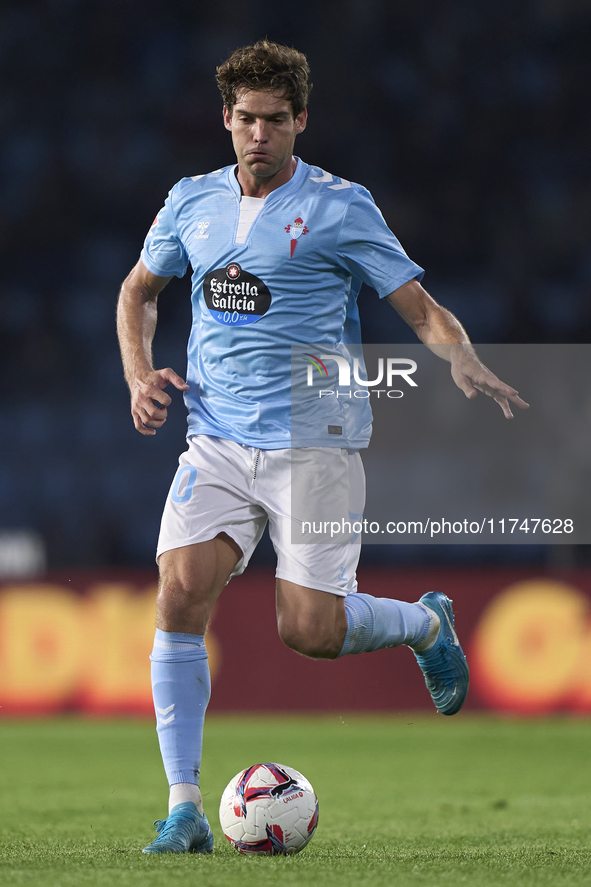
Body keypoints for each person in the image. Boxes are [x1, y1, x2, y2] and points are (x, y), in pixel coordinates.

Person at [116, 40, 528, 855]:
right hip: (217, 439)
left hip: (317, 442)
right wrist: (137, 376)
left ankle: (423, 626)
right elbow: (138, 292)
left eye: (275, 120)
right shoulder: (190, 202)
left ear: (300, 120)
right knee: (179, 594)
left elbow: (419, 309)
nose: (259, 134)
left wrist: (462, 357)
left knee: (306, 628)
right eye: (245, 120)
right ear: (225, 119)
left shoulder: (342, 206)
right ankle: (185, 807)